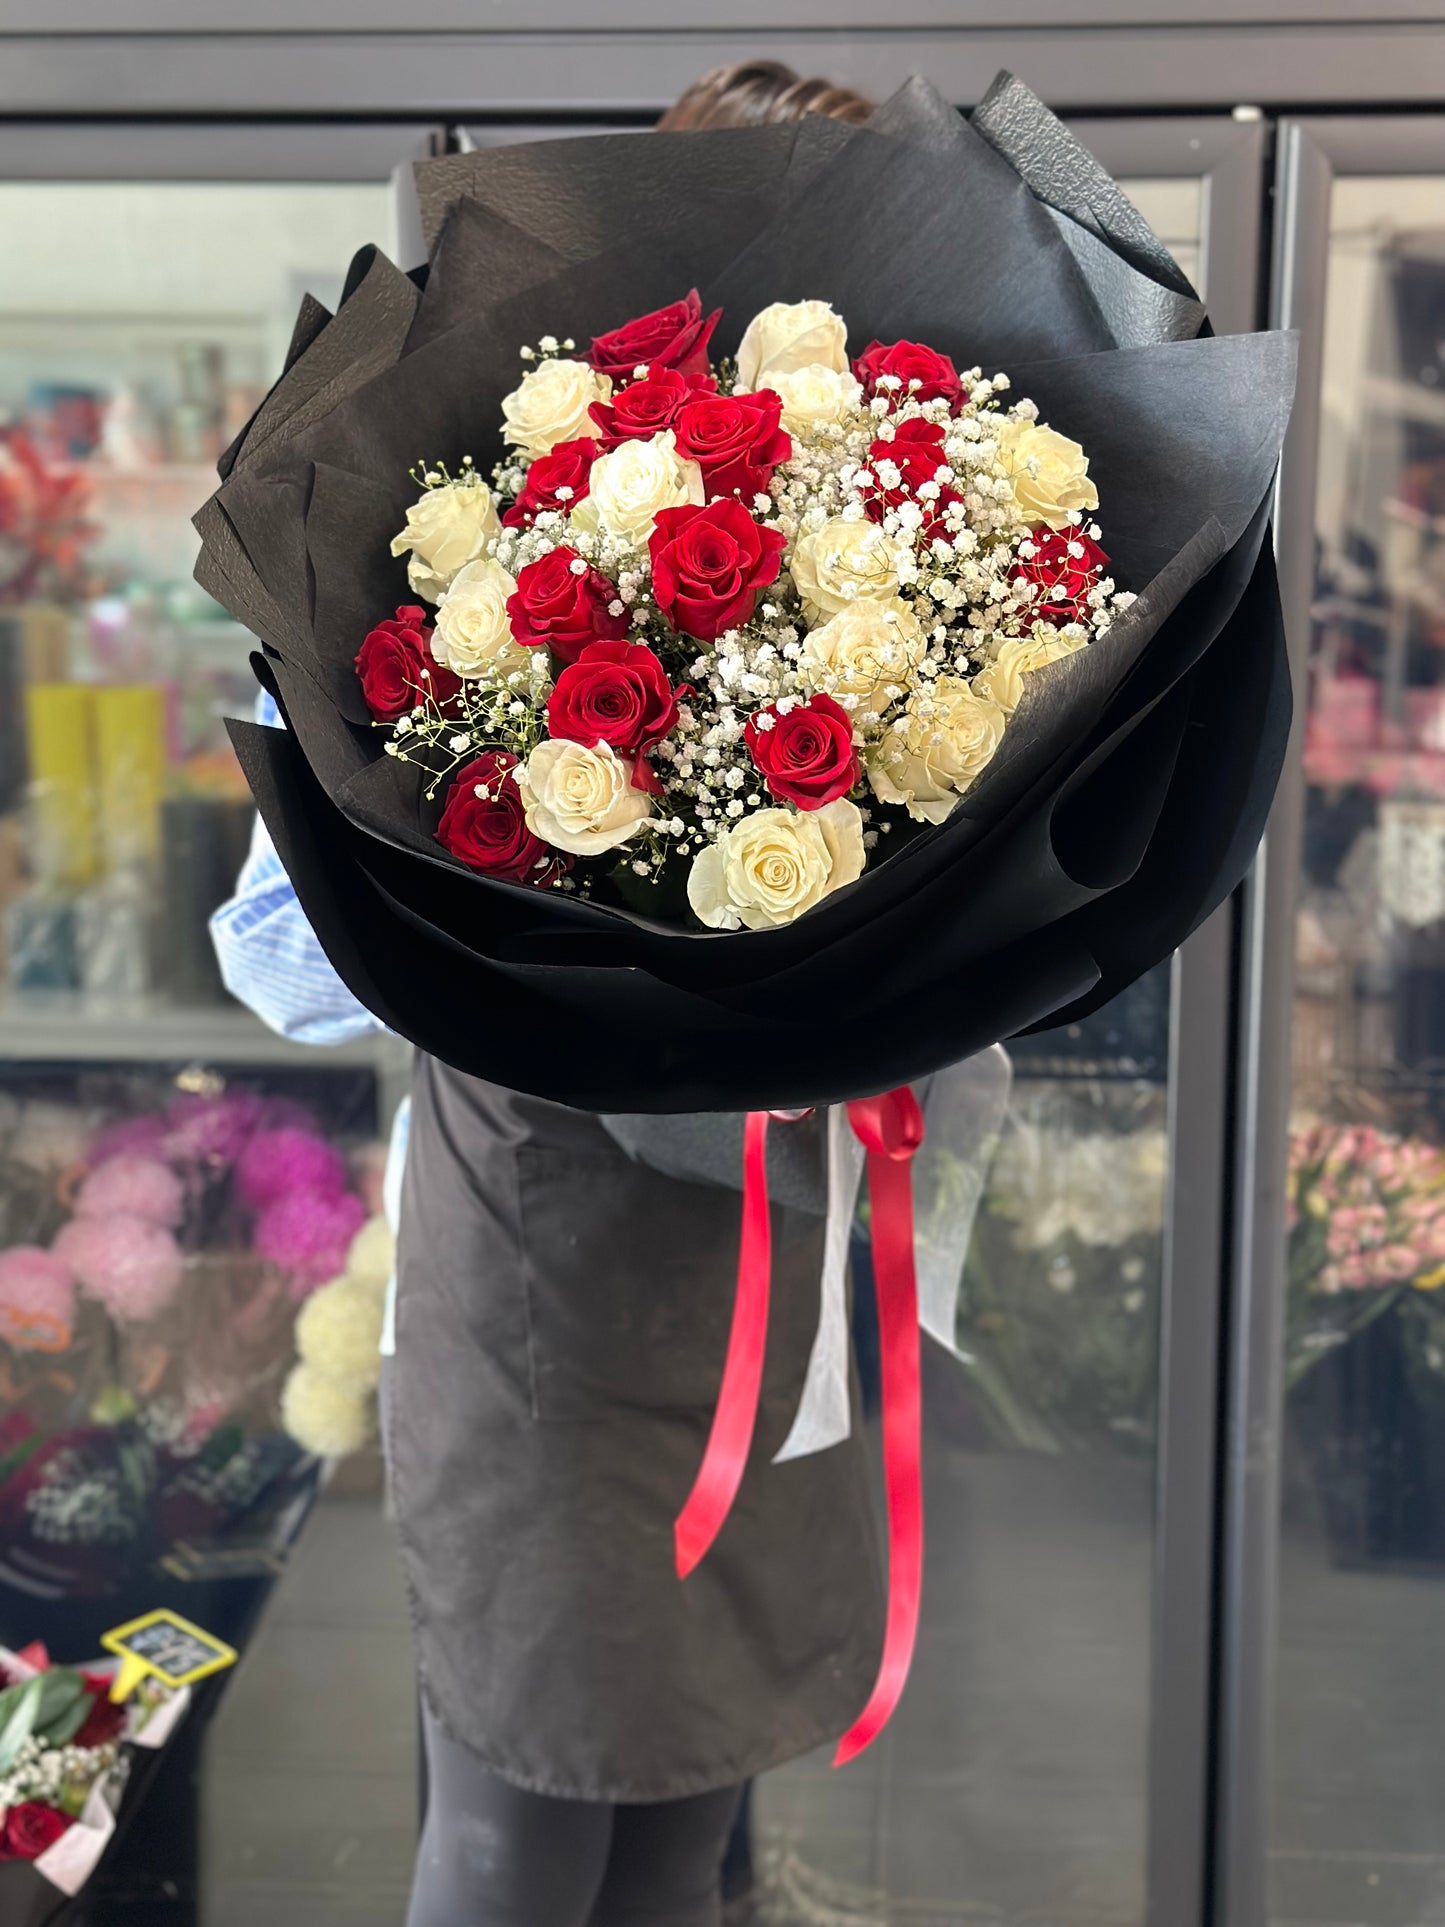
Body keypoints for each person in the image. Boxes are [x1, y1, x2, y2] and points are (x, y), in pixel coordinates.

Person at [213, 61, 879, 1927]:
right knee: (520, 1819)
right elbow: (274, 968)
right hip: (546, 1306)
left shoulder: (891, 553)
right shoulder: (486, 512)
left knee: (686, 1800)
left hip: (768, 1275)